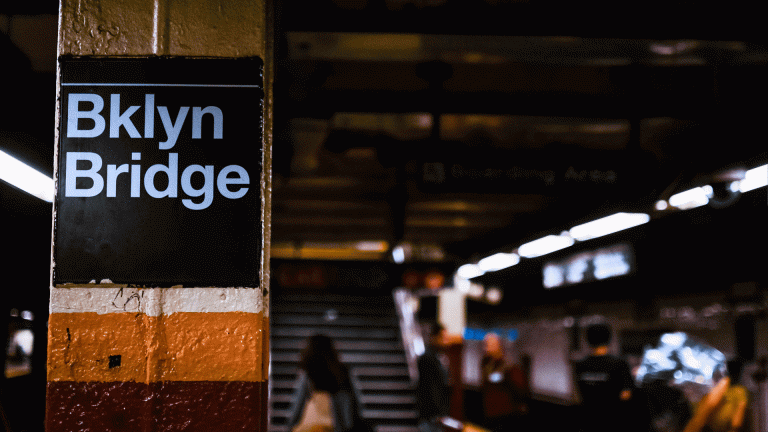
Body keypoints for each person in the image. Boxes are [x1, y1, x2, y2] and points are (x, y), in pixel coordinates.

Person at [289, 334, 372, 432]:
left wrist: (291, 425)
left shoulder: (309, 374)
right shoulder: (343, 373)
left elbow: (298, 407)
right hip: (341, 426)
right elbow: (355, 404)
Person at [572, 323, 635, 432]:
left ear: (587, 339)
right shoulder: (620, 364)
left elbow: (577, 397)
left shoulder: (580, 365)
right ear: (609, 338)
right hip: (614, 423)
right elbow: (626, 395)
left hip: (588, 423)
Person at [480, 332, 529, 432]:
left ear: (498, 345)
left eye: (489, 345)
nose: (486, 348)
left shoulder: (509, 366)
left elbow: (521, 390)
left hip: (506, 415)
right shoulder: (487, 363)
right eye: (486, 345)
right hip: (490, 413)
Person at [415, 322, 450, 432]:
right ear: (435, 338)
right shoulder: (428, 358)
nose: (446, 341)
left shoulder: (439, 357)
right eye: (443, 337)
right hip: (431, 416)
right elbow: (430, 388)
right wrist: (439, 412)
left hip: (435, 415)